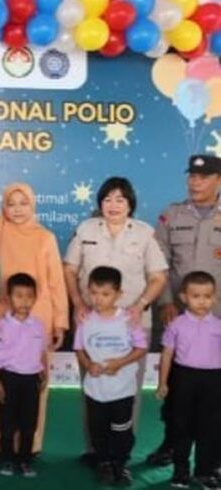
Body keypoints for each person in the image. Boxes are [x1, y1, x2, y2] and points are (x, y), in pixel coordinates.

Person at [64, 177, 167, 464]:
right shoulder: (86, 229)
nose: (113, 205)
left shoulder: (145, 233)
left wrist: (141, 305)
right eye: (107, 199)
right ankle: (96, 451)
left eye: (120, 199)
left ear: (130, 204)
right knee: (94, 384)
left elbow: (159, 276)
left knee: (126, 390)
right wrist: (77, 302)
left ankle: (120, 455)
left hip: (131, 323)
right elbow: (70, 269)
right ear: (100, 203)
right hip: (92, 320)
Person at [149, 155, 221, 467]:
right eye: (192, 175)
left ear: (218, 179)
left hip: (218, 321)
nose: (195, 182)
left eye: (203, 177)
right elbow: (158, 263)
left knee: (215, 396)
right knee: (177, 390)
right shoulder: (171, 215)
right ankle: (170, 445)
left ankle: (212, 459)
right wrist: (165, 301)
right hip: (178, 317)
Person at [0, 183, 67, 455]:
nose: (18, 209)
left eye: (24, 203)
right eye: (12, 203)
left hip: (38, 320)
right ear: (4, 207)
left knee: (36, 385)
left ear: (32, 205)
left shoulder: (45, 237)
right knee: (3, 384)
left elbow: (56, 282)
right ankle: (1, 444)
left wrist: (60, 322)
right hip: (3, 318)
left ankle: (30, 446)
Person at [73, 266, 148, 486]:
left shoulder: (128, 319)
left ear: (118, 294)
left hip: (122, 390)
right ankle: (104, 463)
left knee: (122, 430)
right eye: (94, 293)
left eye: (105, 294)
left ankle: (120, 465)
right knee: (98, 430)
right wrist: (88, 364)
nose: (98, 299)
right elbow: (79, 349)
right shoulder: (85, 320)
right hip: (96, 391)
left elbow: (141, 348)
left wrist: (121, 363)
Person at [156, 271, 221, 489]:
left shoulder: (219, 326)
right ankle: (180, 472)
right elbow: (167, 354)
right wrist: (163, 383)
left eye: (207, 296)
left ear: (214, 297)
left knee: (210, 428)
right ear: (184, 297)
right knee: (181, 426)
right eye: (196, 296)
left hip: (214, 381)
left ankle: (205, 472)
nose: (202, 301)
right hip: (184, 378)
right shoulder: (176, 324)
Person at [0, 273, 48, 478]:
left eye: (29, 296)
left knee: (28, 424)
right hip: (9, 378)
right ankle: (7, 459)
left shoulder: (38, 325)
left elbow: (42, 352)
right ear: (9, 297)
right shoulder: (1, 325)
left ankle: (25, 460)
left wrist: (45, 374)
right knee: (7, 424)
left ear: (35, 298)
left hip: (31, 379)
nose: (24, 301)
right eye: (19, 296)